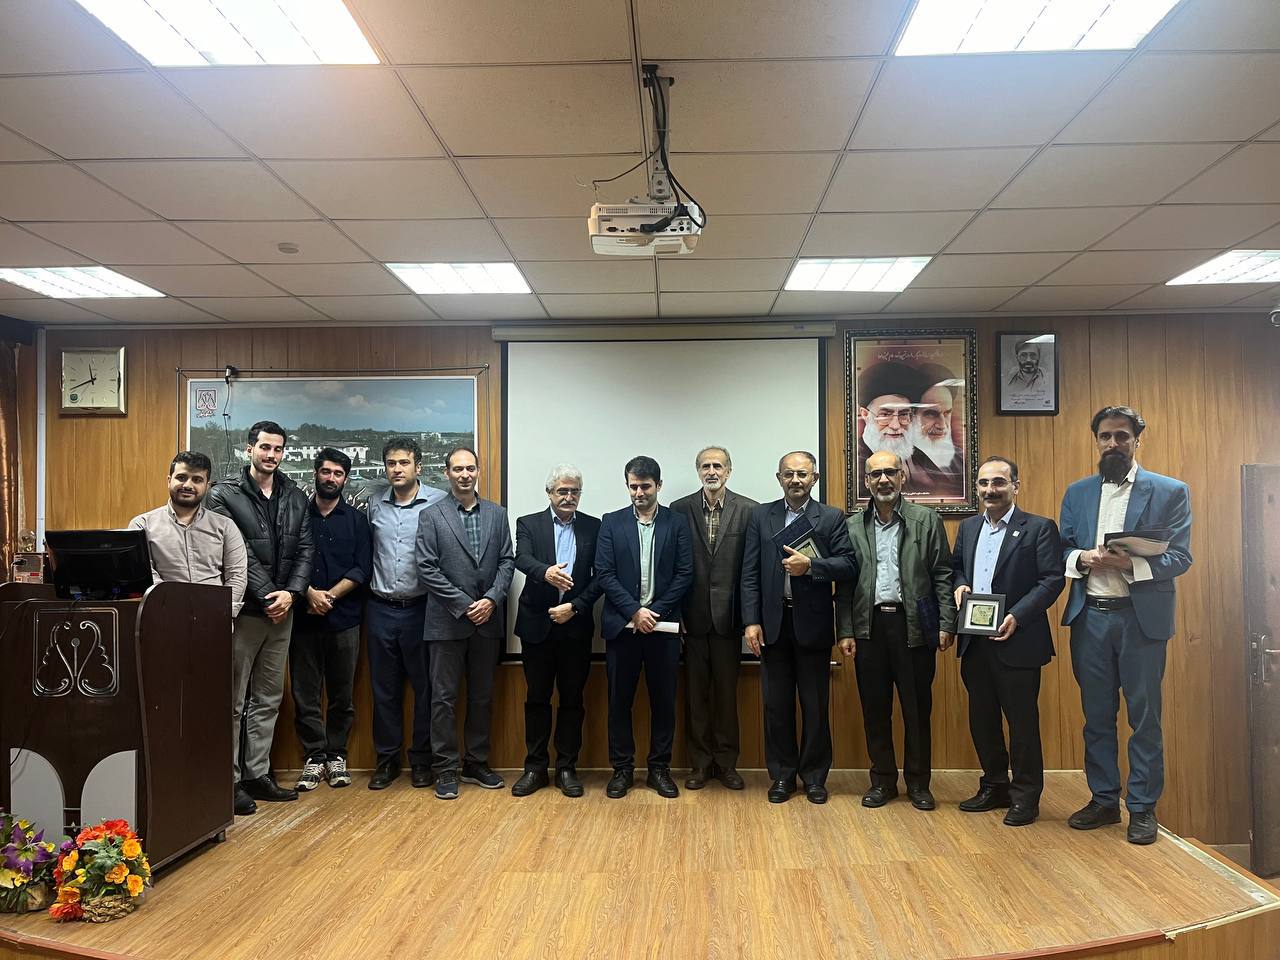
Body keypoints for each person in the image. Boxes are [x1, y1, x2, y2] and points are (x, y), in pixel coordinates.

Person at [1059, 405, 1192, 845]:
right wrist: (1082, 558)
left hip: (1140, 622)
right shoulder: (1077, 493)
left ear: (1137, 440)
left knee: (1145, 719)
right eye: (1105, 436)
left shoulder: (1169, 491)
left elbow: (1181, 557)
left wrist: (1129, 564)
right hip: (1090, 619)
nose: (1113, 443)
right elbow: (1061, 549)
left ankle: (1141, 807)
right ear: (1096, 441)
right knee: (1096, 718)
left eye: (1121, 436)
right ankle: (1103, 800)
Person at [836, 450, 956, 811]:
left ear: (903, 477)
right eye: (875, 474)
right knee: (875, 709)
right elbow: (845, 583)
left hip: (914, 625)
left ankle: (918, 783)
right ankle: (883, 781)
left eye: (890, 472)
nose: (883, 480)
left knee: (917, 710)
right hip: (869, 626)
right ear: (866, 481)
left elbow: (942, 573)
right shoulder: (852, 526)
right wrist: (845, 630)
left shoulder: (926, 519)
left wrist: (946, 623)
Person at [206, 420, 314, 817]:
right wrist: (270, 595)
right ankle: (229, 780)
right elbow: (238, 555)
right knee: (233, 701)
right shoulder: (223, 495)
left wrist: (292, 594)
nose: (271, 455)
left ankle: (256, 774)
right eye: (264, 447)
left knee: (269, 697)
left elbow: (306, 549)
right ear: (249, 449)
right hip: (245, 612)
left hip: (283, 612)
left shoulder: (295, 495)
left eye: (277, 449)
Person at [952, 456, 1065, 826]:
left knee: (1022, 724)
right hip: (975, 641)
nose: (990, 490)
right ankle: (994, 785)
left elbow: (1052, 579)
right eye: (984, 483)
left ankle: (1025, 797)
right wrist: (959, 586)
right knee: (982, 720)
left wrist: (1018, 614)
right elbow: (956, 568)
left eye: (999, 482)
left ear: (1015, 486)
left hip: (1018, 640)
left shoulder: (1038, 528)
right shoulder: (969, 527)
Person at [741, 451, 856, 804]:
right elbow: (749, 573)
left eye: (802, 474)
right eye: (788, 474)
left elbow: (849, 565)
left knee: (815, 706)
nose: (795, 480)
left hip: (813, 625)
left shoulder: (831, 517)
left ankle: (815, 777)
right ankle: (782, 776)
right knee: (776, 707)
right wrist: (751, 621)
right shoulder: (761, 516)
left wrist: (813, 566)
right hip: (773, 625)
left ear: (814, 478)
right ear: (779, 478)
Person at [417, 446, 515, 800]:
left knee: (482, 696)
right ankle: (445, 768)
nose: (464, 474)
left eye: (470, 468)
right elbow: (426, 568)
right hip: (446, 622)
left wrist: (491, 600)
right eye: (457, 469)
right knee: (443, 698)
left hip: (487, 621)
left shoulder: (497, 514)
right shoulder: (431, 515)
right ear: (447, 473)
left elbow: (507, 561)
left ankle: (476, 763)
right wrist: (464, 604)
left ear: (478, 471)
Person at [594, 455, 693, 799]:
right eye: (633, 486)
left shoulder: (677, 523)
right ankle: (622, 769)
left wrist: (655, 612)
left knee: (663, 701)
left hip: (663, 630)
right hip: (622, 629)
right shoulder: (611, 522)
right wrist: (635, 611)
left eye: (645, 486)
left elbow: (684, 573)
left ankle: (659, 769)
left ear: (658, 486)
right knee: (619, 701)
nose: (639, 493)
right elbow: (604, 573)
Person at [670, 446, 758, 791]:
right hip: (692, 620)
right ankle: (700, 765)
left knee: (725, 696)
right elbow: (673, 567)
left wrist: (749, 618)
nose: (712, 471)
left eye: (718, 466)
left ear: (728, 471)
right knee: (695, 697)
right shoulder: (679, 509)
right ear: (698, 471)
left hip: (728, 620)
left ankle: (726, 764)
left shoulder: (749, 510)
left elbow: (750, 569)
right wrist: (676, 613)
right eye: (705, 466)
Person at [511, 464, 602, 798]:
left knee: (572, 700)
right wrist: (545, 572)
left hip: (575, 627)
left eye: (574, 491)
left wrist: (575, 607)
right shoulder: (529, 523)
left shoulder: (594, 526)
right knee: (537, 699)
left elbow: (601, 576)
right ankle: (535, 768)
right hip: (537, 625)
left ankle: (566, 768)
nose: (568, 497)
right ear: (549, 493)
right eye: (562, 491)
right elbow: (521, 558)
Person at [289, 448, 372, 792]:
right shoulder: (295, 516)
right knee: (305, 694)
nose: (331, 478)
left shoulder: (356, 520)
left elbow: (362, 568)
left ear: (345, 479)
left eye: (338, 474)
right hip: (303, 619)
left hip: (345, 619)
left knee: (341, 695)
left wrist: (330, 597)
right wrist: (309, 593)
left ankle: (336, 755)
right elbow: (286, 561)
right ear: (315, 474)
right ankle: (314, 757)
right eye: (326, 472)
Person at [364, 436, 445, 791]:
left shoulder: (439, 502)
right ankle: (387, 761)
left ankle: (422, 761)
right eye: (391, 463)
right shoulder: (374, 504)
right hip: (380, 608)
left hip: (422, 609)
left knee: (425, 689)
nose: (397, 469)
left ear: (418, 466)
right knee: (384, 689)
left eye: (404, 463)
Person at [129, 450, 247, 620]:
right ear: (169, 480)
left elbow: (237, 575)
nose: (188, 485)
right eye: (181, 477)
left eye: (197, 480)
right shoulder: (142, 525)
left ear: (207, 486)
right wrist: (171, 607)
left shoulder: (226, 526)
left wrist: (222, 612)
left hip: (215, 619)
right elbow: (145, 575)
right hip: (163, 619)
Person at [909, 377, 964, 499]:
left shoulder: (960, 458)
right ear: (911, 416)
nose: (942, 425)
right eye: (931, 414)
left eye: (947, 413)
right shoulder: (902, 462)